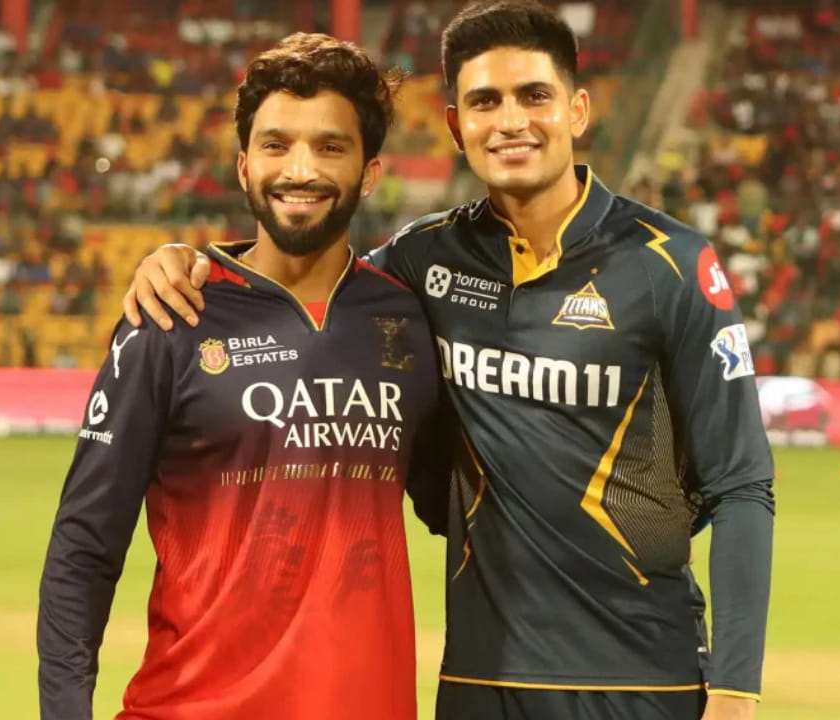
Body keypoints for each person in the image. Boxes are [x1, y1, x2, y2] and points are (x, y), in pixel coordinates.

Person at [118, 2, 776, 719]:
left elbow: (742, 484)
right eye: (486, 102)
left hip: (645, 680)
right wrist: (190, 262)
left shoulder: (670, 265)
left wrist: (735, 692)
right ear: (458, 127)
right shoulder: (422, 261)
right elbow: (300, 280)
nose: (511, 121)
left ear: (578, 110)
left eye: (534, 95)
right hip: (478, 683)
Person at [37, 33, 452, 720]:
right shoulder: (171, 315)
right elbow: (84, 544)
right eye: (275, 145)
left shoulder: (406, 319)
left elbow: (461, 510)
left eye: (330, 147)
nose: (300, 169)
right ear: (243, 166)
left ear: (370, 172)